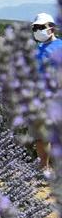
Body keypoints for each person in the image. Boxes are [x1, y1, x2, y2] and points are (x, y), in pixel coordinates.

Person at [32, 12, 61, 174]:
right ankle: (44, 168)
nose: (37, 30)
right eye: (35, 28)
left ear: (52, 28)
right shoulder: (37, 49)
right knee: (41, 135)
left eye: (41, 27)